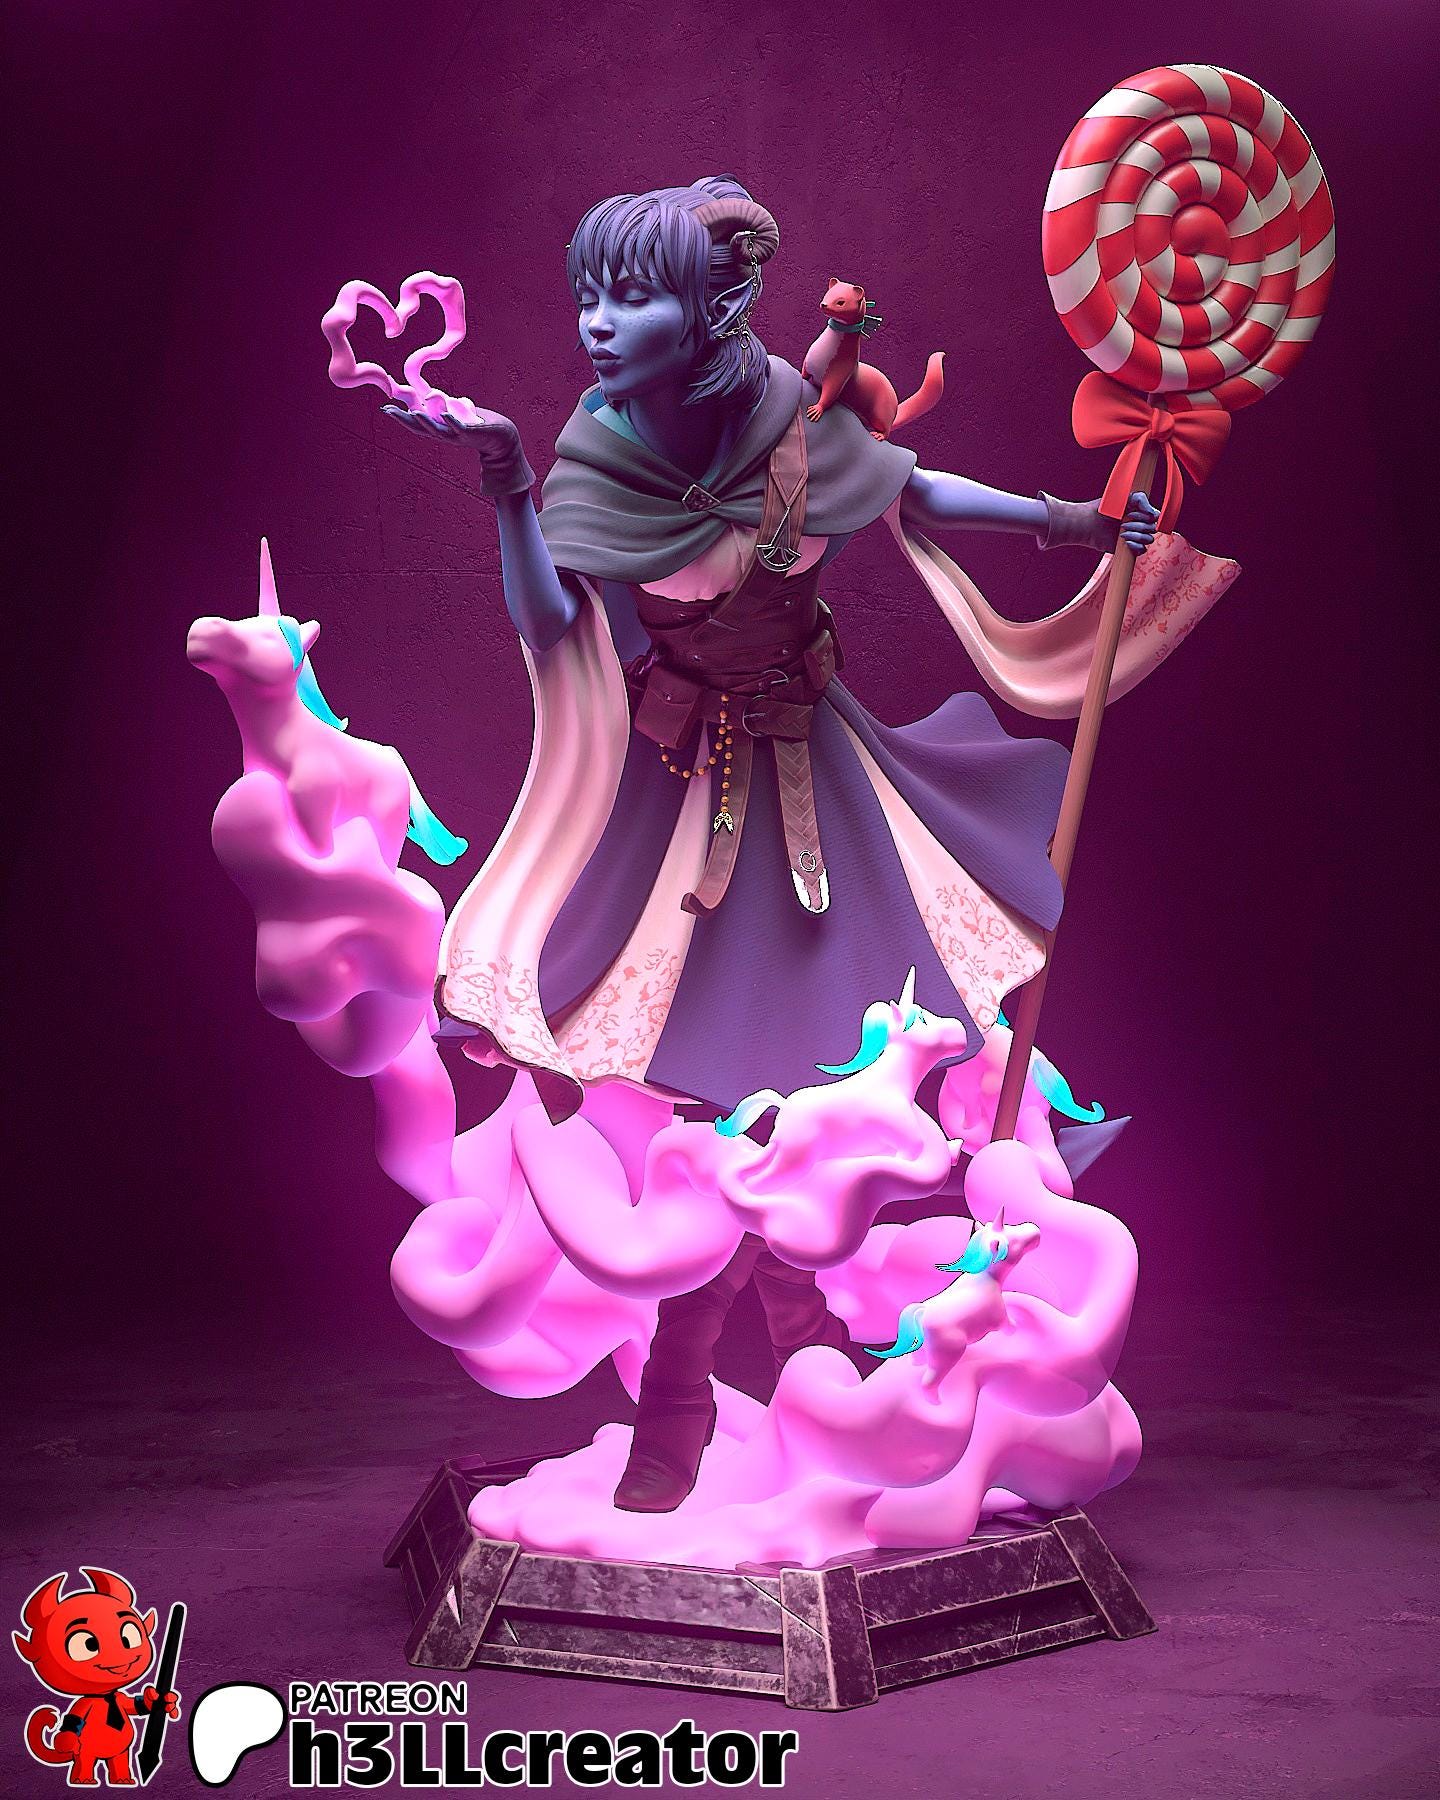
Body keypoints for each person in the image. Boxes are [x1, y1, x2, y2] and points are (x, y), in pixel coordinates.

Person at [385, 176, 1181, 1512]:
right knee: (711, 1108)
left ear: (711, 307)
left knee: (814, 1085)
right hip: (676, 800)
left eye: (632, 296)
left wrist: (1078, 525)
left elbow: (921, 495)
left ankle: (759, 1375)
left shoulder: (795, 425)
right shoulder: (598, 451)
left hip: (824, 786)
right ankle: (713, 1390)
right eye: (589, 296)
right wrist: (510, 480)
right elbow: (551, 622)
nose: (597, 323)